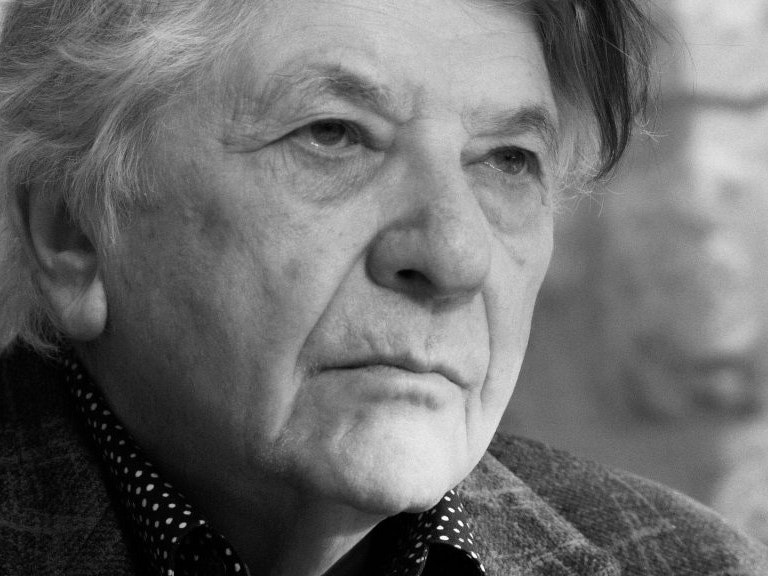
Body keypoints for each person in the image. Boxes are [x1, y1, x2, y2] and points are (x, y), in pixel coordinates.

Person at [0, 0, 766, 574]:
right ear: (72, 235)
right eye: (332, 134)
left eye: (508, 160)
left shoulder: (692, 563)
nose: (454, 257)